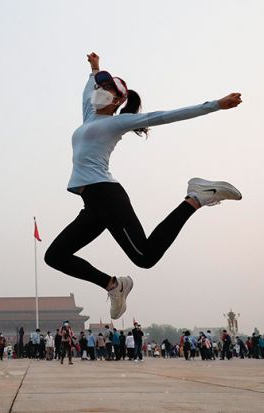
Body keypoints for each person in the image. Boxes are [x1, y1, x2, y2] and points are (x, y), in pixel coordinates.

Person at [44, 51, 243, 320]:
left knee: (145, 257)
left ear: (118, 100)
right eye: (100, 87)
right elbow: (87, 90)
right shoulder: (89, 116)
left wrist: (215, 105)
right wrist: (95, 68)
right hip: (92, 203)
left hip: (107, 197)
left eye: (107, 89)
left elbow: (167, 116)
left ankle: (196, 196)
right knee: (55, 256)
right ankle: (114, 285)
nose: (100, 90)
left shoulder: (118, 122)